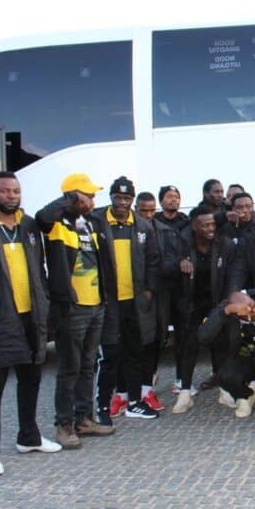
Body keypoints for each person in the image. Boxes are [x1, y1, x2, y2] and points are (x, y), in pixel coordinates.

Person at [0, 173, 60, 477]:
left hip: (31, 316)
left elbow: (38, 266)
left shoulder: (27, 224)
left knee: (31, 378)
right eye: (5, 191)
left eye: (16, 190)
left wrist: (44, 299)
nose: (12, 195)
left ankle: (28, 436)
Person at [36, 173, 115, 448]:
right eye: (88, 196)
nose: (93, 200)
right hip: (72, 308)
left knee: (88, 365)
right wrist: (70, 199)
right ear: (74, 196)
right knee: (69, 368)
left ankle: (84, 418)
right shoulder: (56, 224)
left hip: (96, 305)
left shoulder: (91, 223)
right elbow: (42, 217)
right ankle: (64, 424)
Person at [94, 178, 161, 423]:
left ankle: (134, 402)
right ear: (111, 197)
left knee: (135, 352)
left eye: (126, 198)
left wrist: (149, 290)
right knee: (110, 355)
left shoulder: (142, 225)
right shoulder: (96, 221)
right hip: (107, 302)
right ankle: (102, 407)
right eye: (118, 198)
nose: (122, 203)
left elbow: (153, 260)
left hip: (135, 302)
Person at [168, 205, 243, 413]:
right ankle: (185, 393)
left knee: (221, 344)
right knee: (189, 345)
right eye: (205, 225)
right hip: (190, 303)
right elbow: (165, 265)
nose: (211, 228)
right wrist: (178, 263)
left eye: (212, 224)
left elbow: (236, 272)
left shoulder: (225, 244)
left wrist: (230, 298)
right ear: (194, 226)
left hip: (218, 302)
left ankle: (225, 391)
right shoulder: (181, 242)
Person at [198, 290, 255, 418]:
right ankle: (246, 395)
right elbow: (203, 336)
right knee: (225, 376)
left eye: (254, 306)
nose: (254, 312)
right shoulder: (227, 310)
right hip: (247, 355)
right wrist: (227, 311)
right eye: (248, 312)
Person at [134, 191, 177, 413]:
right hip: (132, 295)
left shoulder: (164, 230)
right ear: (135, 209)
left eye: (152, 211)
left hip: (158, 295)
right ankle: (127, 393)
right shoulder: (129, 230)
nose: (148, 215)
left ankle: (146, 389)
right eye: (143, 211)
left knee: (155, 341)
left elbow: (170, 261)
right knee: (132, 344)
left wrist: (154, 279)